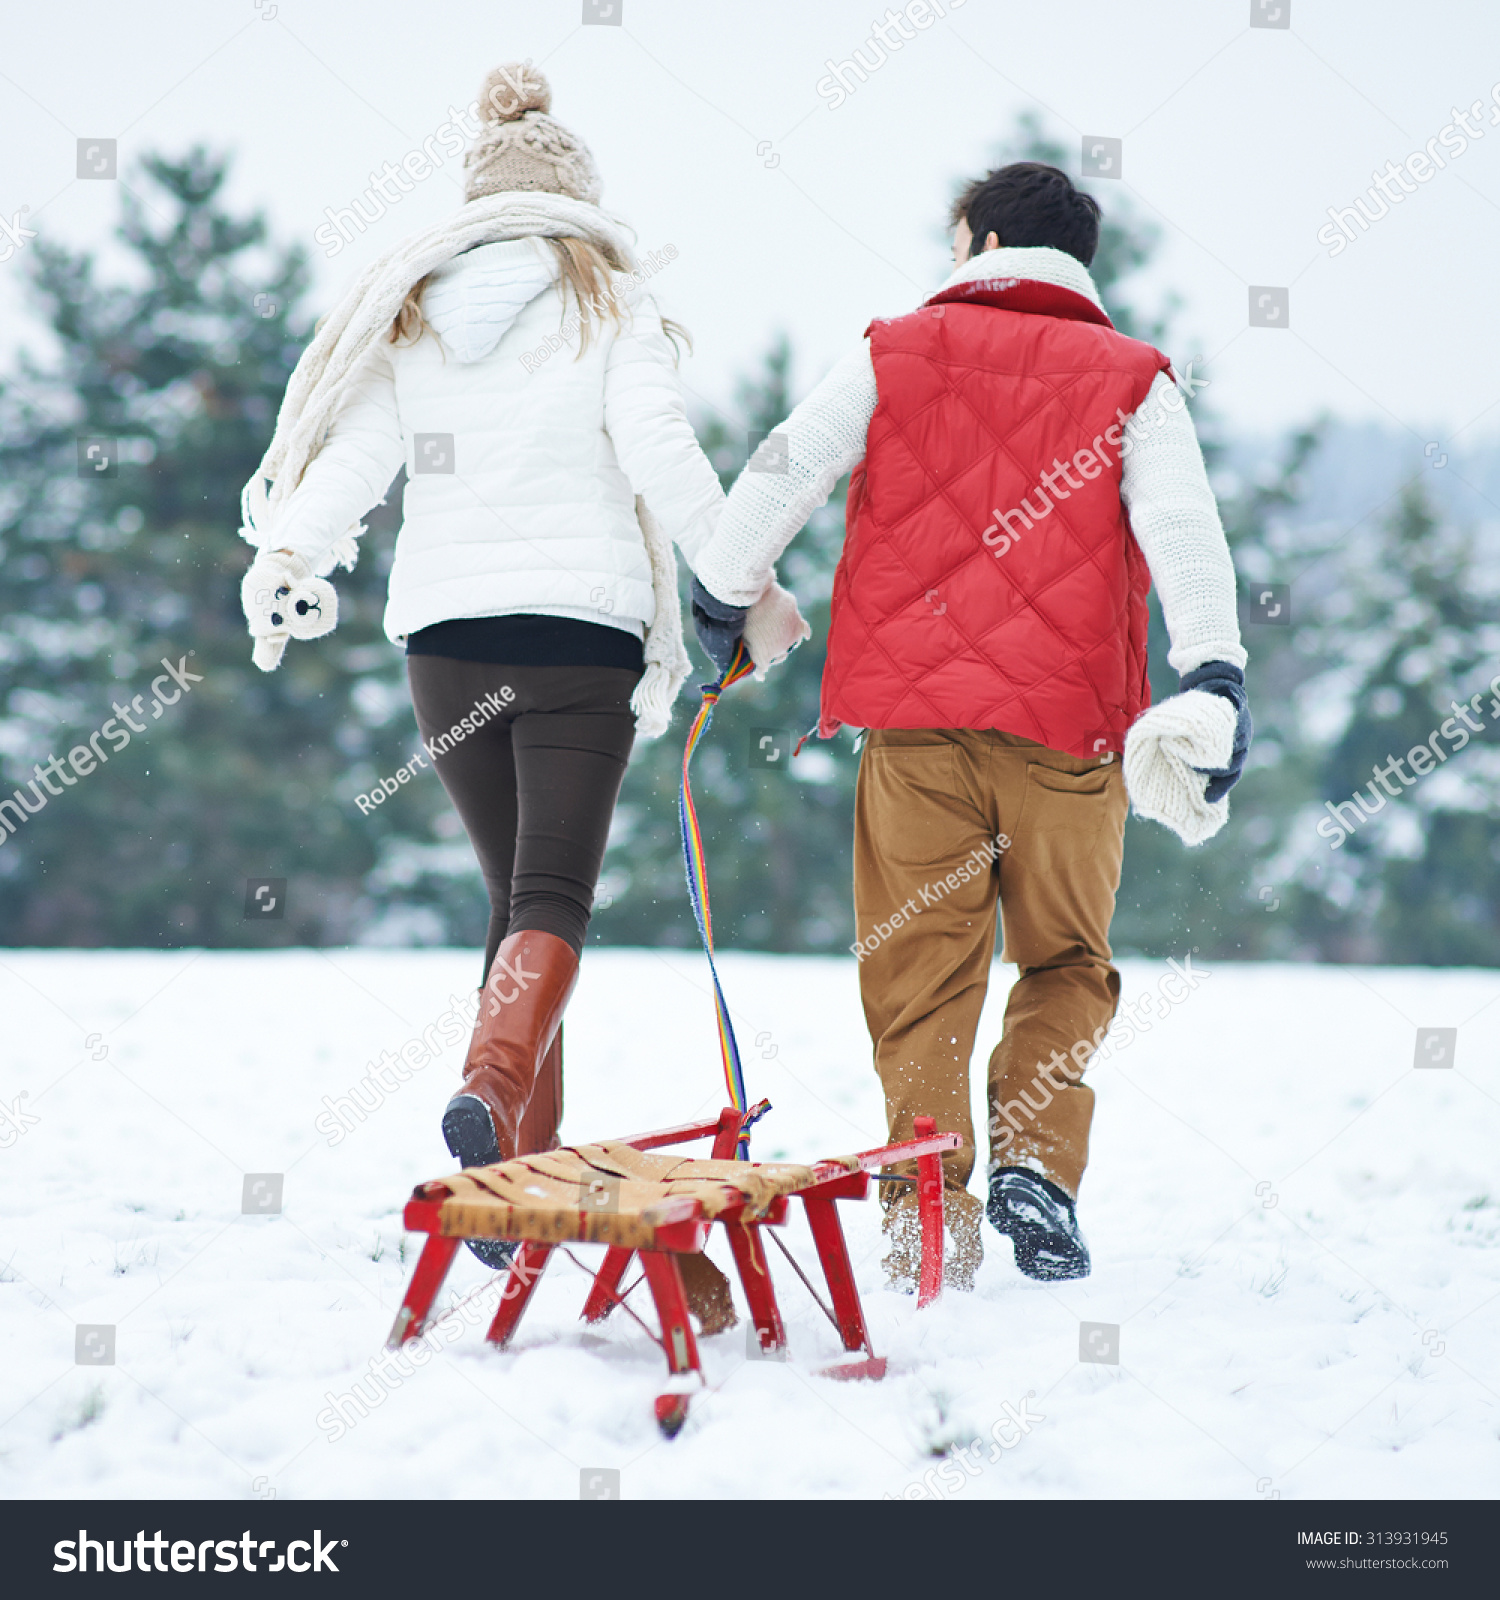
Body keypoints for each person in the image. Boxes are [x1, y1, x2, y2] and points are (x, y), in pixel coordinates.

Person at [236, 61, 804, 1296]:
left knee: (512, 906)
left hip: (445, 646)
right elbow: (661, 452)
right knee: (552, 897)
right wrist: (742, 585)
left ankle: (509, 1187)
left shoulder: (415, 310)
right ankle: (491, 1096)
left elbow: (359, 456)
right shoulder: (611, 302)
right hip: (577, 639)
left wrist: (291, 548)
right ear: (577, 204)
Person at [687, 162, 1250, 1289]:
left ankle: (924, 1235)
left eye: (955, 241)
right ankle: (1035, 1162)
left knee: (920, 978)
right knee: (1067, 960)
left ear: (984, 238)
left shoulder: (897, 347)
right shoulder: (1133, 376)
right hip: (1070, 736)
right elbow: (1183, 527)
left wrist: (719, 588)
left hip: (917, 727)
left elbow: (785, 465)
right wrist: (1217, 674)